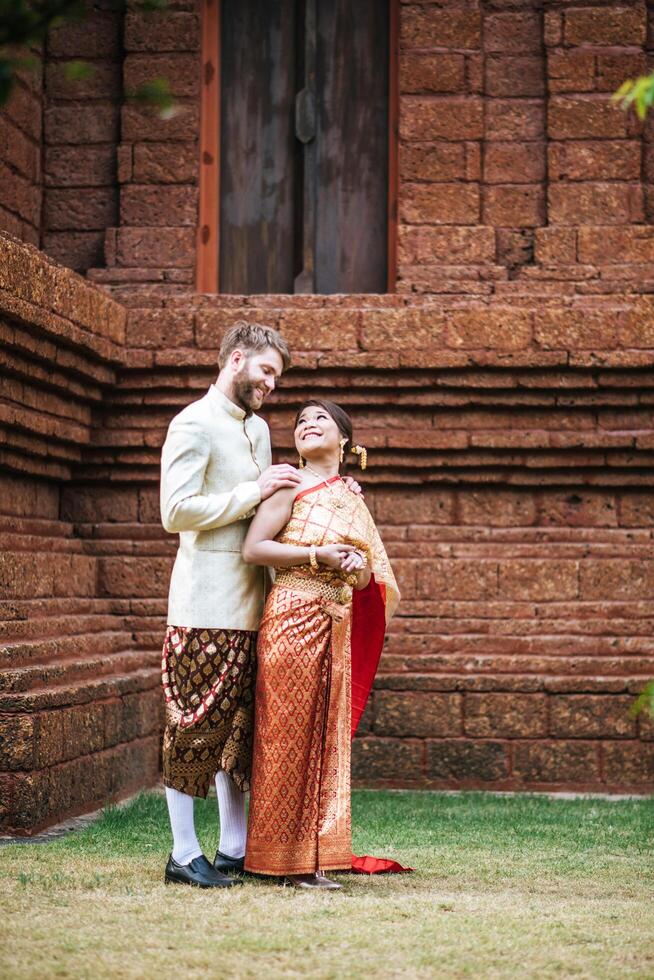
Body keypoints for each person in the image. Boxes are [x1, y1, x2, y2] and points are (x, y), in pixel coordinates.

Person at [159, 321, 300, 888]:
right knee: (191, 729)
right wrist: (252, 492)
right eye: (266, 371)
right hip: (203, 606)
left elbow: (271, 511)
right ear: (236, 359)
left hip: (253, 605)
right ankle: (182, 852)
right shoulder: (192, 423)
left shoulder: (260, 430)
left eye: (276, 376)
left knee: (239, 735)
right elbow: (175, 511)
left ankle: (234, 849)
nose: (270, 384)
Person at [242, 398, 401, 890]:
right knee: (285, 738)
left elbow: (369, 577)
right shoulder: (289, 482)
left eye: (320, 420)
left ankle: (312, 857)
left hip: (336, 623)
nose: (308, 425)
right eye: (301, 422)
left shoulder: (352, 496)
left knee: (323, 740)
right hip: (292, 617)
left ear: (346, 441)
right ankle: (276, 860)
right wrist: (318, 555)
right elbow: (254, 549)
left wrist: (354, 569)